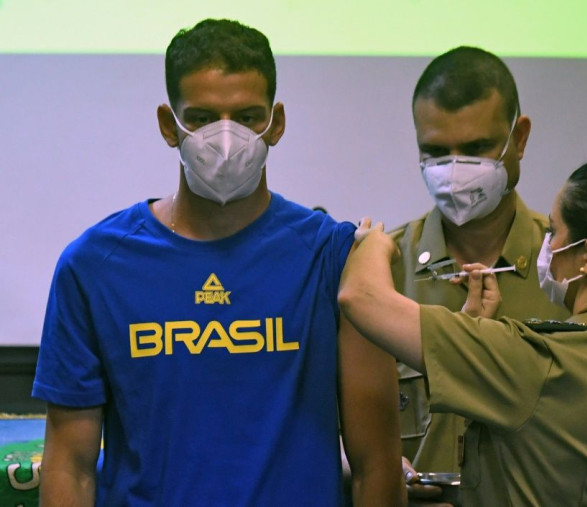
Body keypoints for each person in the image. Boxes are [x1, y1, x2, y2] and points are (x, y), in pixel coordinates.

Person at [32, 19, 404, 506]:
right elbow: (70, 467)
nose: (226, 139)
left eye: (248, 116)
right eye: (203, 117)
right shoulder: (94, 267)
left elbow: (376, 465)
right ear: (169, 125)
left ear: (277, 122)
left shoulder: (333, 258)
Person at [339, 157, 587, 506]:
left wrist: (374, 247)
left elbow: (362, 298)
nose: (548, 246)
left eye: (553, 232)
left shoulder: (539, 361)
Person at [389, 46, 569, 502]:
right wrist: (361, 459)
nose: (454, 171)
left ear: (519, 138)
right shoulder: (381, 272)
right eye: (434, 151)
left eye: (475, 149)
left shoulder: (573, 267)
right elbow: (332, 425)